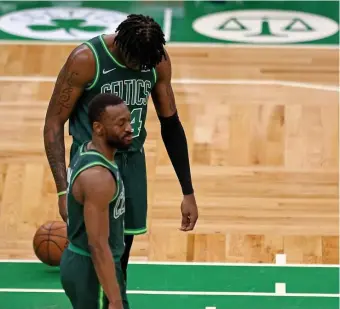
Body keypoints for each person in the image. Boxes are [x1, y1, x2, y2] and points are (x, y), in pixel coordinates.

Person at [43, 14, 198, 283]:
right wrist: (62, 188)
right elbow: (54, 123)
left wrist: (188, 191)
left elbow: (170, 123)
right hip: (91, 165)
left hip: (132, 164)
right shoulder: (86, 60)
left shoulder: (157, 61)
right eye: (135, 61)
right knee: (94, 256)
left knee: (119, 259)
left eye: (145, 63)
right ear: (121, 44)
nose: (139, 66)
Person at [60, 93, 132, 309]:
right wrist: (115, 299)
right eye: (121, 123)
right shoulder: (98, 177)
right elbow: (98, 245)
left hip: (86, 264)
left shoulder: (87, 150)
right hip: (92, 270)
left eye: (129, 120)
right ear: (98, 128)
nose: (129, 128)